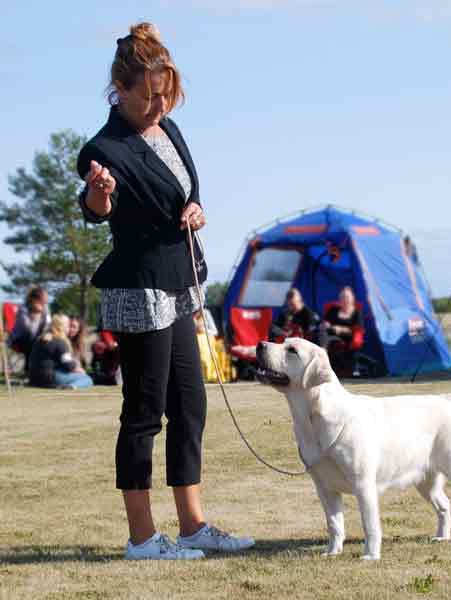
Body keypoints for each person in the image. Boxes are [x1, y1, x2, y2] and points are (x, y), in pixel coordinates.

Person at [76, 22, 253, 560]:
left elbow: (185, 191)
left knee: (190, 403)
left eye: (169, 96)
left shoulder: (168, 130)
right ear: (121, 91)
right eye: (152, 97)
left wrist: (195, 208)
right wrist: (99, 194)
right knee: (144, 411)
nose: (161, 107)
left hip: (180, 283)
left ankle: (193, 525)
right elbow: (94, 210)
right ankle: (141, 538)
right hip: (140, 290)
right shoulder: (103, 149)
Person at [28, 314, 94, 389]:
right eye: (68, 326)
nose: (69, 329)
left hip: (33, 379)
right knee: (87, 379)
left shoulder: (40, 339)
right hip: (49, 379)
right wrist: (81, 371)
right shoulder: (60, 342)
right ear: (63, 327)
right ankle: (71, 386)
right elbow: (68, 364)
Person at [320, 286, 364, 376]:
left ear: (352, 299)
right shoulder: (333, 310)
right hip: (330, 334)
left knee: (325, 337)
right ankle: (322, 355)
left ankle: (322, 357)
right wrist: (325, 324)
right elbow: (325, 321)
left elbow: (358, 329)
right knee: (322, 331)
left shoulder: (356, 313)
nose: (344, 300)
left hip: (347, 337)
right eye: (342, 297)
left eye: (347, 297)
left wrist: (341, 329)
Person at [7, 286, 51, 371]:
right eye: (42, 301)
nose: (45, 303)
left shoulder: (46, 308)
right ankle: (29, 369)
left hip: (39, 338)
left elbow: (49, 324)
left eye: (45, 302)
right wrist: (37, 315)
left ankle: (46, 370)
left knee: (48, 341)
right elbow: (28, 328)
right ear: (34, 300)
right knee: (32, 340)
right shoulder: (23, 309)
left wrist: (46, 334)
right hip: (19, 339)